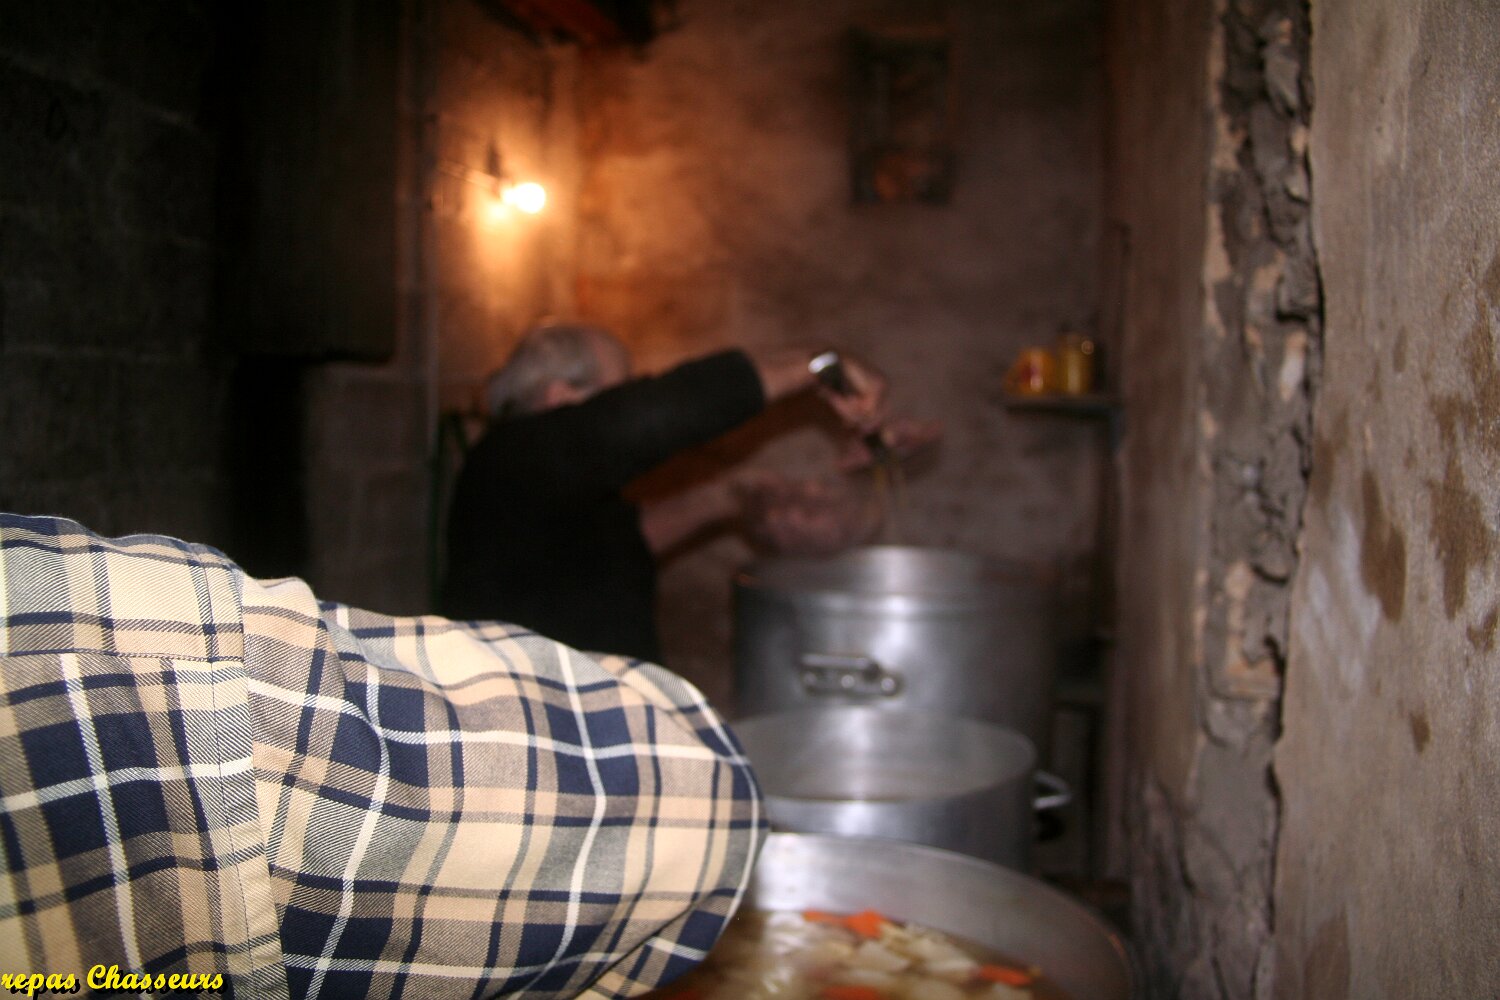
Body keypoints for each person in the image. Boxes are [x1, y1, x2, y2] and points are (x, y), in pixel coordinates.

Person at [0, 512, 763, 999]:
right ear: (565, 390)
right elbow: (683, 799)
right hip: (559, 740)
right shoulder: (540, 454)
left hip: (535, 682)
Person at [440, 321, 887, 663]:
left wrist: (741, 496)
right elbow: (656, 416)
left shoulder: (539, 486)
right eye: (614, 396)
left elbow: (620, 544)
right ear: (559, 398)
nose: (624, 407)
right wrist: (817, 364)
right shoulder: (515, 456)